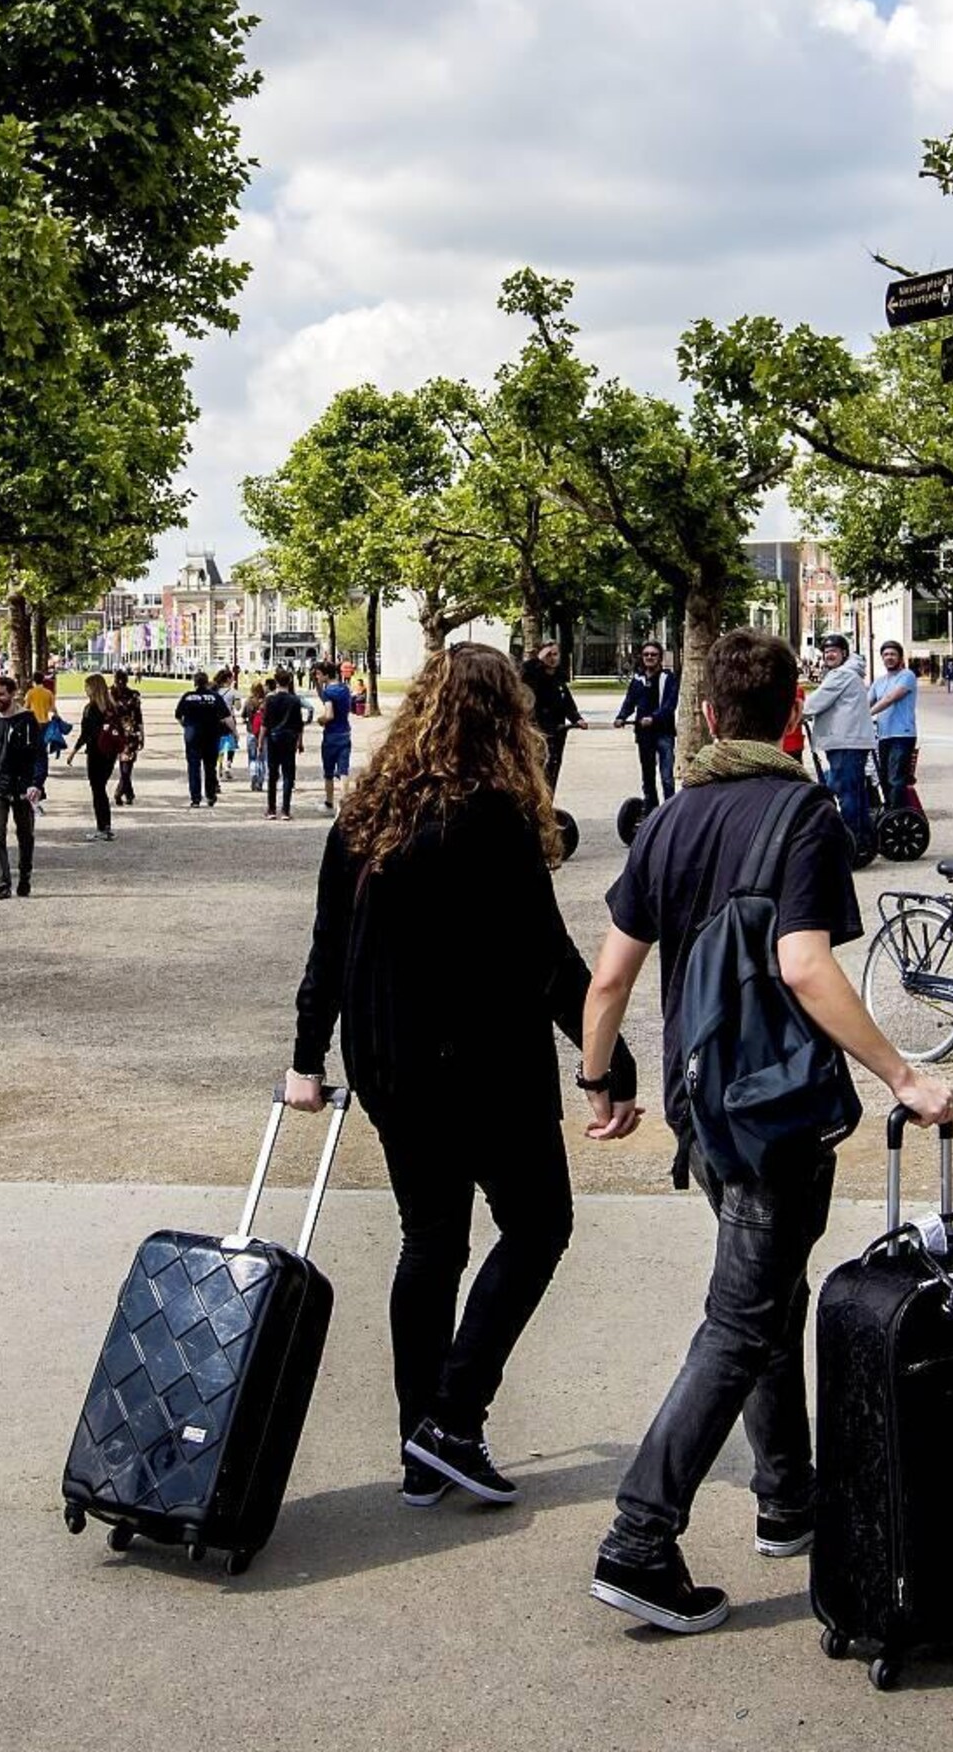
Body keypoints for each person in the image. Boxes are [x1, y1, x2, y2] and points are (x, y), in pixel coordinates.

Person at [576, 628, 953, 1635]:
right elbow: (801, 964)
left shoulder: (666, 818)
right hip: (776, 1108)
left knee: (768, 1293)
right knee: (741, 1319)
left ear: (705, 716)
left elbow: (607, 974)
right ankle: (638, 1534)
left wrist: (597, 1077)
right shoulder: (800, 812)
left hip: (701, 1104)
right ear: (792, 711)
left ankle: (786, 1496)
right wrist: (901, 1074)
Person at [284, 642, 638, 1507]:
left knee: (431, 1238)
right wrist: (606, 1066)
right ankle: (453, 1413)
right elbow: (546, 960)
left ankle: (422, 1446)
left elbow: (328, 950)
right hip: (480, 1062)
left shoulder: (365, 814)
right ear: (505, 720)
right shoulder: (493, 818)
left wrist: (307, 1057)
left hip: (391, 1062)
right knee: (537, 1224)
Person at [0, 675, 46, 898]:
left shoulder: (27, 721)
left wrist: (36, 783)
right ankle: (3, 884)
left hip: (23, 788)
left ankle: (25, 877)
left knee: (25, 835)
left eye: (1, 694)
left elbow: (39, 756)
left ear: (12, 694)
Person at [799, 635, 874, 852]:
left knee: (846, 794)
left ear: (844, 653)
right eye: (826, 651)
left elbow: (814, 703)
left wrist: (793, 714)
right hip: (850, 741)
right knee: (856, 793)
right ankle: (863, 841)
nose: (829, 655)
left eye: (834, 650)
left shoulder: (841, 675)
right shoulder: (849, 673)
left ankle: (852, 844)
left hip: (845, 742)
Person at [613, 641, 679, 813]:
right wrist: (621, 717)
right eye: (646, 654)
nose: (649, 657)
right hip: (644, 735)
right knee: (648, 777)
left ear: (660, 657)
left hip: (664, 733)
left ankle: (670, 812)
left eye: (653, 654)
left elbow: (670, 705)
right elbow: (629, 701)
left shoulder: (668, 678)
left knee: (667, 778)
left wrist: (654, 718)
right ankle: (652, 812)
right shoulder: (637, 680)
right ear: (642, 657)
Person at [520, 640, 585, 791]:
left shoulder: (558, 678)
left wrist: (577, 719)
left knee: (553, 769)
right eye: (548, 655)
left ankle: (548, 803)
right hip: (537, 730)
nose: (552, 658)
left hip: (557, 731)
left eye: (555, 654)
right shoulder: (530, 675)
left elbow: (566, 702)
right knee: (537, 769)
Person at [68, 674, 122, 841]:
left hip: (96, 752)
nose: (85, 690)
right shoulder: (112, 707)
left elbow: (86, 734)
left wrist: (74, 750)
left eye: (87, 687)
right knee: (101, 788)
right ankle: (105, 825)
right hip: (110, 751)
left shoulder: (91, 708)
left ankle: (103, 827)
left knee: (97, 789)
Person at [867, 640, 920, 808]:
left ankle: (898, 814)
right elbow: (866, 702)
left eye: (893, 654)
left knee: (896, 778)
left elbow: (891, 698)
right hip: (884, 735)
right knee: (884, 778)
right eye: (886, 655)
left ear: (900, 657)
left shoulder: (907, 676)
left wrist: (868, 714)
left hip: (902, 734)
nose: (889, 658)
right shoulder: (879, 682)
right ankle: (891, 813)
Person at [174, 670, 229, 808]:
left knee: (194, 767)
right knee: (210, 767)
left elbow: (178, 715)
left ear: (195, 682)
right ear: (207, 682)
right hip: (211, 735)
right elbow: (225, 716)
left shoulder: (188, 697)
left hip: (193, 735)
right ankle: (210, 795)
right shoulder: (214, 697)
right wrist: (233, 731)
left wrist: (186, 726)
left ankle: (195, 798)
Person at [261, 666, 304, 821]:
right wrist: (300, 742)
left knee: (272, 774)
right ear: (290, 681)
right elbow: (299, 724)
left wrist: (260, 742)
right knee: (288, 775)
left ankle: (271, 808)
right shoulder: (294, 700)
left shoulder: (270, 699)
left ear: (276, 682)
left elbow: (265, 723)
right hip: (289, 738)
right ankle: (285, 810)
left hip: (273, 738)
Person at [317, 659, 356, 812]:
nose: (318, 677)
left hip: (331, 734)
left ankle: (328, 802)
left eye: (319, 674)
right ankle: (344, 803)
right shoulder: (345, 688)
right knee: (343, 770)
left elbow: (329, 714)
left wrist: (321, 720)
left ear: (326, 675)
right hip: (345, 732)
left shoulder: (328, 692)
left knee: (328, 771)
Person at [110, 670, 144, 806]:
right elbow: (139, 717)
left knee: (124, 765)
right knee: (126, 765)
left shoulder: (109, 694)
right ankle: (125, 792)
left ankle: (125, 792)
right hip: (130, 733)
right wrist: (142, 735)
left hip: (114, 733)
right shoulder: (134, 695)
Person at [243, 679, 269, 792]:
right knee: (262, 758)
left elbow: (243, 715)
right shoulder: (265, 702)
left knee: (252, 757)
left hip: (251, 732)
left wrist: (248, 720)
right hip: (264, 733)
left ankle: (253, 774)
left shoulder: (249, 701)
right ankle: (260, 781)